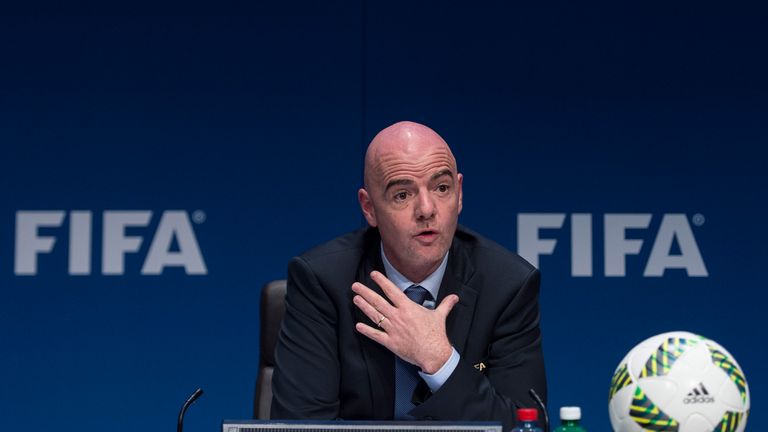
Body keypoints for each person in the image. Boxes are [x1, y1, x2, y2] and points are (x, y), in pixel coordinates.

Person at [270, 121, 546, 429]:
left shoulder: (507, 284)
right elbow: (299, 427)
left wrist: (440, 361)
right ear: (369, 207)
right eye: (402, 194)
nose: (427, 209)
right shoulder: (322, 281)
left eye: (442, 188)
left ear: (460, 194)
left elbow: (526, 426)